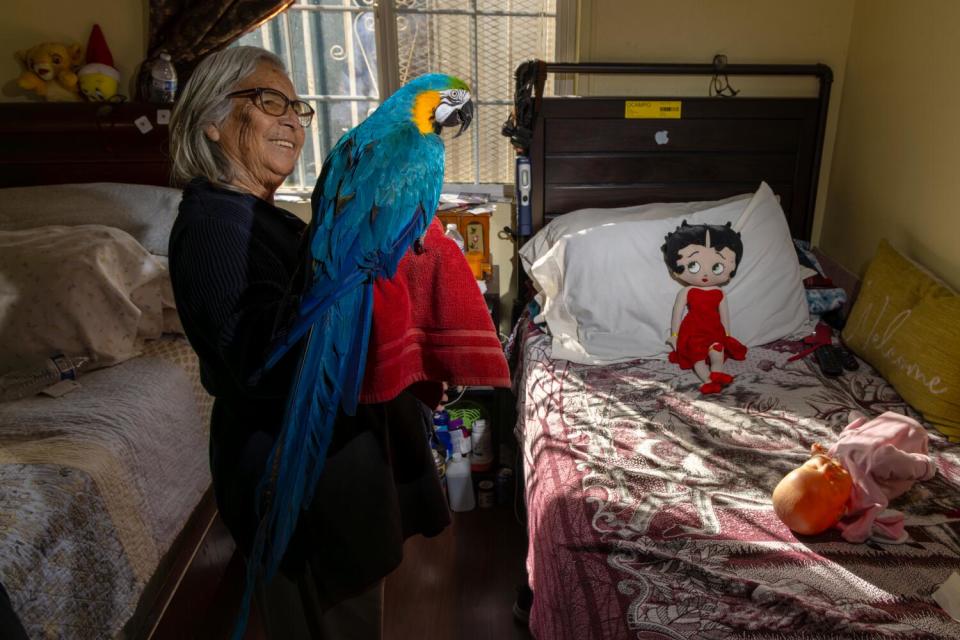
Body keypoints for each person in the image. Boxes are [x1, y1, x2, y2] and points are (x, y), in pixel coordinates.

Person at [167, 46, 450, 638]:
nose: (293, 119)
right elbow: (261, 363)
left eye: (297, 106)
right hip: (296, 488)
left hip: (333, 484)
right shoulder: (216, 225)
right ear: (211, 122)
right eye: (270, 101)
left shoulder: (260, 214)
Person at [661, 221, 748, 394]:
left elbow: (725, 316)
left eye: (717, 267)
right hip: (693, 332)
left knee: (718, 353)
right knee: (697, 358)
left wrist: (727, 336)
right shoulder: (687, 291)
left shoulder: (719, 293)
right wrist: (675, 335)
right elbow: (677, 314)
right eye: (693, 266)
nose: (706, 274)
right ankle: (708, 380)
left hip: (714, 331)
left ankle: (717, 374)